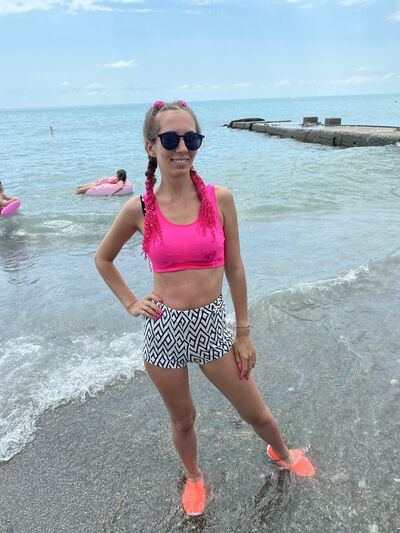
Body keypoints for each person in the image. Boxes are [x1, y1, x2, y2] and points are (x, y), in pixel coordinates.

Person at [94, 100, 315, 516]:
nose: (182, 148)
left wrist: (244, 331)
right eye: (170, 139)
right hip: (163, 330)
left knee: (255, 411)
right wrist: (131, 302)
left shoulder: (220, 199)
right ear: (151, 146)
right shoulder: (139, 208)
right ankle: (194, 477)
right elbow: (103, 258)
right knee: (184, 419)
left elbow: (235, 267)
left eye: (191, 139)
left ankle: (282, 452)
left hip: (212, 325)